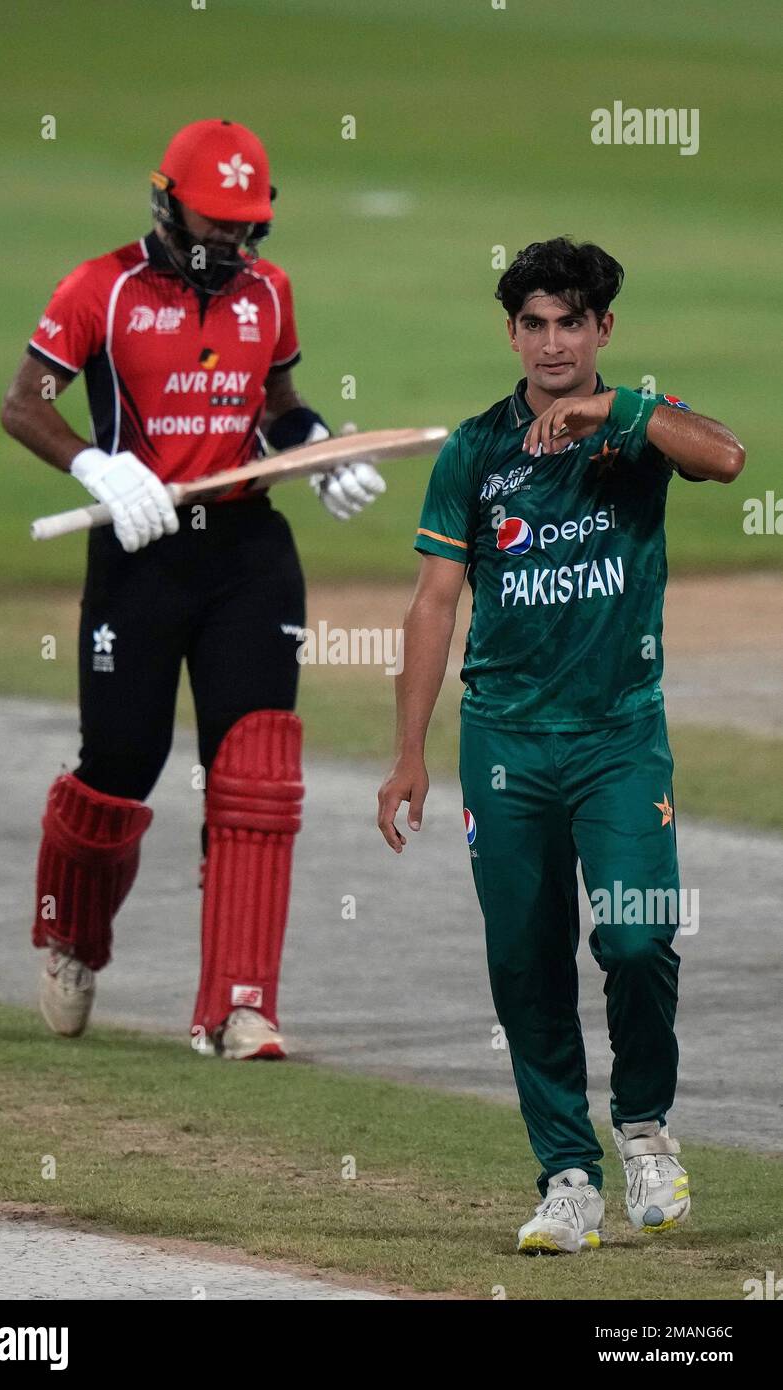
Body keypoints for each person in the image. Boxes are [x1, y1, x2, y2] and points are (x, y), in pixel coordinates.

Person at [377, 237, 745, 1253]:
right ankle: (566, 1174)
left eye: (568, 322)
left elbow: (726, 457)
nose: (550, 342)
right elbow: (431, 601)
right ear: (511, 333)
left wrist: (616, 411)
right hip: (503, 745)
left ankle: (643, 1130)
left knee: (635, 937)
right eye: (532, 323)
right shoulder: (474, 451)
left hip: (619, 737)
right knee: (524, 960)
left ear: (600, 330)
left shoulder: (637, 431)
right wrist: (408, 750)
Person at [1, 119, 385, 1060]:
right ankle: (70, 931)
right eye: (215, 225)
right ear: (165, 202)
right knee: (119, 768)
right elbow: (24, 406)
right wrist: (97, 467)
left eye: (247, 229)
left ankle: (237, 1008)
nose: (233, 246)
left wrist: (319, 452)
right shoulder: (102, 287)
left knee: (254, 772)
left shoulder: (269, 293)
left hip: (248, 553)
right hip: (142, 551)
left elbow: (281, 410)